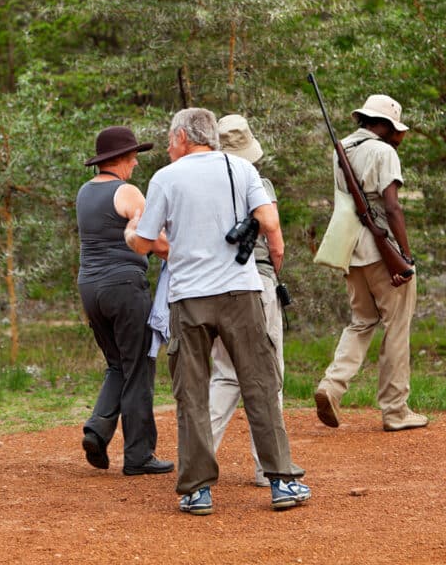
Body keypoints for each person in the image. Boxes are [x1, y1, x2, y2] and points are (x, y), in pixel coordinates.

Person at [125, 108, 310, 516]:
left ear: (183, 138)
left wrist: (132, 228)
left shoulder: (165, 179)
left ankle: (198, 490)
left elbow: (143, 244)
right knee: (259, 384)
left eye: (171, 138)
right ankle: (281, 481)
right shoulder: (241, 170)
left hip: (188, 297)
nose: (170, 145)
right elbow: (269, 219)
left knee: (191, 393)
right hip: (241, 293)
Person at [313, 95, 428, 432]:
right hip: (381, 251)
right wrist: (405, 256)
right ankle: (395, 410)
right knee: (396, 325)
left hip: (349, 248)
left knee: (361, 321)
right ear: (388, 126)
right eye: (399, 129)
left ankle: (332, 386)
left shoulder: (342, 150)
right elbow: (391, 207)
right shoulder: (383, 152)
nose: (401, 136)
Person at [77, 126, 174, 477]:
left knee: (117, 363)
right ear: (118, 159)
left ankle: (97, 430)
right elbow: (155, 241)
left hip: (90, 287)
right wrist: (187, 257)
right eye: (132, 156)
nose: (135, 162)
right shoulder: (127, 191)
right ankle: (139, 454)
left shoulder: (85, 193)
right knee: (138, 367)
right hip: (124, 286)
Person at [208, 115, 284, 488]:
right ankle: (268, 467)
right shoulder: (259, 183)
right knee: (268, 374)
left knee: (224, 374)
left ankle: (199, 459)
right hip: (257, 283)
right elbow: (276, 242)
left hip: (214, 288)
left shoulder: (201, 186)